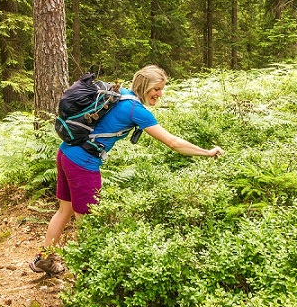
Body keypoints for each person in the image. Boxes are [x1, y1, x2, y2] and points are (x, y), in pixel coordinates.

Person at [30, 64, 224, 274]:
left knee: (64, 210)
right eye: (156, 89)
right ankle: (88, 276)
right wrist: (207, 152)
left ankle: (44, 260)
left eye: (161, 89)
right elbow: (173, 143)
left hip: (66, 153)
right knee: (88, 221)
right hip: (83, 164)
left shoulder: (119, 94)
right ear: (144, 86)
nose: (159, 94)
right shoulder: (135, 110)